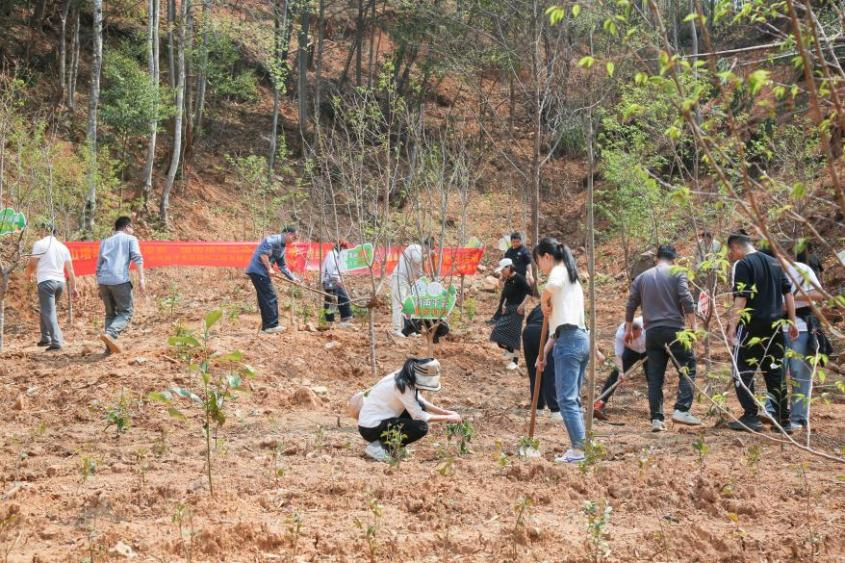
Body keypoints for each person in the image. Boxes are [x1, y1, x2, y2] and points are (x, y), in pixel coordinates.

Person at [726, 232, 798, 432]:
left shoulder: (743, 264)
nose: (731, 255)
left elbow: (741, 298)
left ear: (736, 247)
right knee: (775, 372)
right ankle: (783, 420)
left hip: (750, 327)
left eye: (731, 251)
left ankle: (750, 416)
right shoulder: (774, 262)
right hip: (775, 327)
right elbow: (788, 293)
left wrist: (732, 327)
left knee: (741, 370)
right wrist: (792, 322)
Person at [625, 244, 701, 432]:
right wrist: (694, 325)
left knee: (655, 378)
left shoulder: (642, 277)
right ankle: (682, 409)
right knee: (687, 367)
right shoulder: (677, 272)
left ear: (656, 258)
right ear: (674, 259)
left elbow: (631, 304)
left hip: (652, 333)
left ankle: (656, 419)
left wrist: (628, 329)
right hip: (674, 330)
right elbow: (686, 298)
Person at [534, 237, 589, 463]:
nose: (540, 268)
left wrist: (542, 300)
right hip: (579, 339)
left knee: (566, 399)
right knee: (572, 399)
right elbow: (560, 327)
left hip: (569, 341)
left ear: (547, 256)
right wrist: (544, 353)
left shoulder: (559, 271)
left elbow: (551, 287)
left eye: (539, 262)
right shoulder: (572, 277)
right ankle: (582, 446)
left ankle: (579, 451)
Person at [762, 250, 826, 431]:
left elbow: (819, 294)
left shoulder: (802, 270)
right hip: (776, 328)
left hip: (803, 327)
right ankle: (772, 412)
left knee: (800, 373)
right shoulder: (768, 273)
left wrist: (790, 297)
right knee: (776, 372)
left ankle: (798, 418)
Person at [358, 358, 461, 462]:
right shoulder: (402, 384)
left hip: (376, 421)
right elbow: (419, 415)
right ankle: (378, 447)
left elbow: (418, 400)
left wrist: (445, 412)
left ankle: (396, 447)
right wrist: (447, 418)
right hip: (371, 428)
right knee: (420, 427)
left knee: (420, 406)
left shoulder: (406, 375)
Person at [26, 223, 78, 351]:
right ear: (56, 233)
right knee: (47, 309)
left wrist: (28, 274)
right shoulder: (63, 247)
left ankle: (57, 341)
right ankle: (45, 338)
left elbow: (32, 263)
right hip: (60, 283)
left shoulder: (40, 244)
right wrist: (74, 287)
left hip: (46, 282)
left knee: (48, 311)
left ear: (44, 231)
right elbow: (70, 270)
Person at [96, 216, 145, 354]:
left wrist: (99, 285)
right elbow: (137, 258)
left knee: (110, 314)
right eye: (132, 227)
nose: (133, 230)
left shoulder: (105, 241)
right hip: (119, 280)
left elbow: (99, 265)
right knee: (126, 312)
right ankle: (111, 334)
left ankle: (109, 349)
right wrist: (141, 279)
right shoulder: (130, 239)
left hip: (103, 280)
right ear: (126, 227)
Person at [245, 226, 300, 334]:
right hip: (258, 271)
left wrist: (293, 278)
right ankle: (271, 326)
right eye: (294, 237)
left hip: (261, 273)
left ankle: (266, 327)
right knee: (270, 296)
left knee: (265, 298)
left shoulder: (282, 247)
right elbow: (263, 255)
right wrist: (269, 268)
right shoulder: (272, 240)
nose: (295, 240)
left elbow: (282, 266)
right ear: (288, 234)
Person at [593, 317, 647, 421]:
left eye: (635, 337)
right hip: (631, 351)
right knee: (616, 374)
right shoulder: (620, 334)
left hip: (649, 350)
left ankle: (657, 414)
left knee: (653, 378)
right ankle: (600, 403)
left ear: (641, 330)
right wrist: (621, 372)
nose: (634, 340)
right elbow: (618, 355)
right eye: (630, 338)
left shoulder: (648, 325)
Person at [490, 258, 532, 370]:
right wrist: (504, 304)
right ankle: (509, 350)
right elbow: (506, 294)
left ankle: (515, 361)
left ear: (509, 267)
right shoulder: (508, 279)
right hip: (508, 309)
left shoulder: (519, 278)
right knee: (497, 332)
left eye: (503, 270)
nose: (502, 272)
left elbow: (530, 292)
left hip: (517, 310)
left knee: (515, 335)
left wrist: (522, 306)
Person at [522, 303, 560, 421]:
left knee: (534, 371)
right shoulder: (560, 304)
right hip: (546, 334)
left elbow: (528, 319)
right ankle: (555, 410)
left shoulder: (541, 305)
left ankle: (537, 407)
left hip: (529, 333)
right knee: (549, 372)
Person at [390, 243, 424, 337]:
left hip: (409, 281)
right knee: (399, 304)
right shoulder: (415, 247)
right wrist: (427, 255)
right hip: (399, 278)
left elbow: (420, 274)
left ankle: (409, 329)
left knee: (409, 305)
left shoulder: (422, 256)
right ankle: (397, 329)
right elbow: (417, 259)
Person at [321, 240, 353, 328]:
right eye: (344, 249)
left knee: (341, 298)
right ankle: (329, 321)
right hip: (329, 280)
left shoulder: (337, 255)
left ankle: (342, 320)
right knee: (332, 300)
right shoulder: (331, 254)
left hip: (333, 280)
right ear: (341, 247)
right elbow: (331, 269)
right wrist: (336, 279)